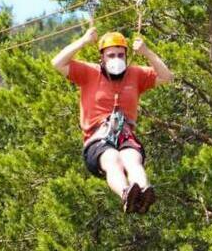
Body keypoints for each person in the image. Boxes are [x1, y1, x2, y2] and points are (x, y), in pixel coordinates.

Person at [52, 27, 173, 213]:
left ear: (126, 56)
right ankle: (126, 193)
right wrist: (83, 41)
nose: (116, 59)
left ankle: (143, 190)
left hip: (125, 135)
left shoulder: (136, 75)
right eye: (111, 55)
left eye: (120, 54)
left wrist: (146, 52)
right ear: (102, 57)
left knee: (132, 159)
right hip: (98, 139)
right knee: (113, 159)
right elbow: (57, 63)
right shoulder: (89, 72)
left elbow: (167, 77)